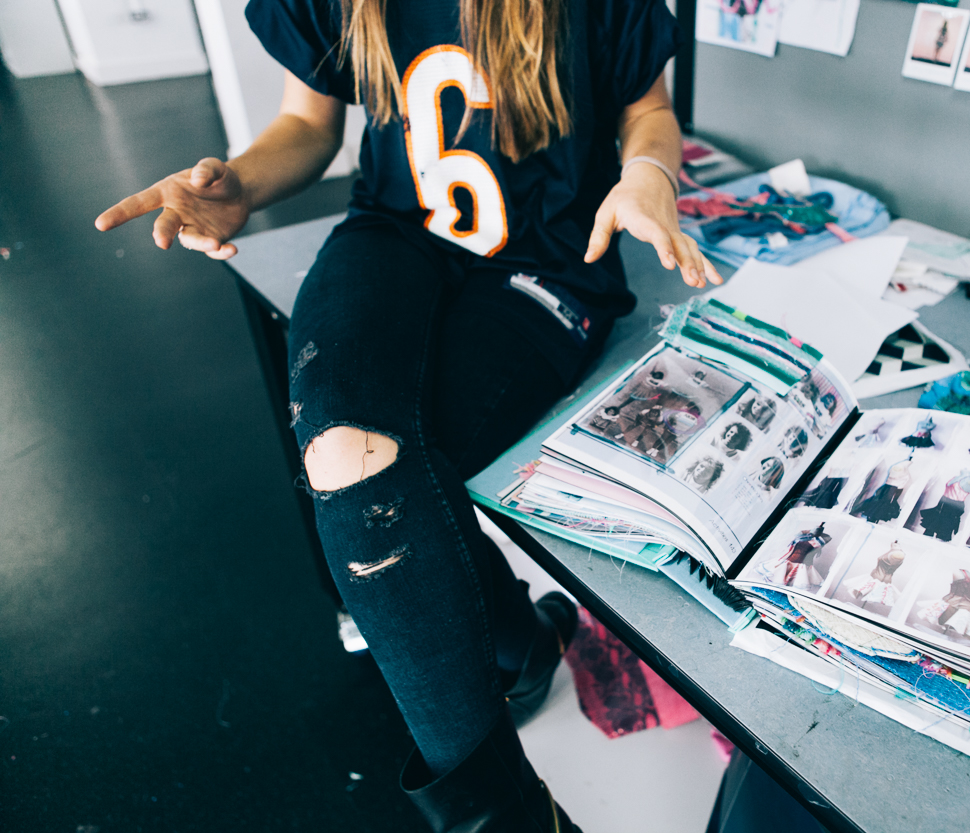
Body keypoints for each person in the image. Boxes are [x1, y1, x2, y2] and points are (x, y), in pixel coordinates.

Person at [94, 0, 722, 828]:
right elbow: (306, 125)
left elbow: (649, 111)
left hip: (546, 262)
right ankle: (516, 744)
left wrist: (648, 174)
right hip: (392, 234)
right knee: (345, 455)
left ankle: (521, 654)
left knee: (382, 489)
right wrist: (240, 182)